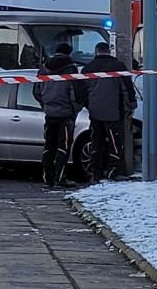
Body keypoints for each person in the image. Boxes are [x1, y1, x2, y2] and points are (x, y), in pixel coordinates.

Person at [82, 41, 136, 182]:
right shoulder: (118, 66)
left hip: (95, 112)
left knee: (96, 142)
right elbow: (127, 88)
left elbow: (82, 92)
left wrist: (88, 105)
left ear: (96, 52)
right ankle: (114, 171)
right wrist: (131, 105)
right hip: (114, 112)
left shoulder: (88, 68)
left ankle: (96, 172)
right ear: (109, 51)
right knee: (115, 142)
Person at [36, 42, 85, 187]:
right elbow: (76, 94)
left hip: (49, 114)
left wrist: (45, 105)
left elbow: (36, 91)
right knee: (63, 147)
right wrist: (75, 109)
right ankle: (60, 178)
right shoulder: (70, 69)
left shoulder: (43, 69)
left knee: (49, 146)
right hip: (66, 115)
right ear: (69, 53)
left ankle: (47, 178)